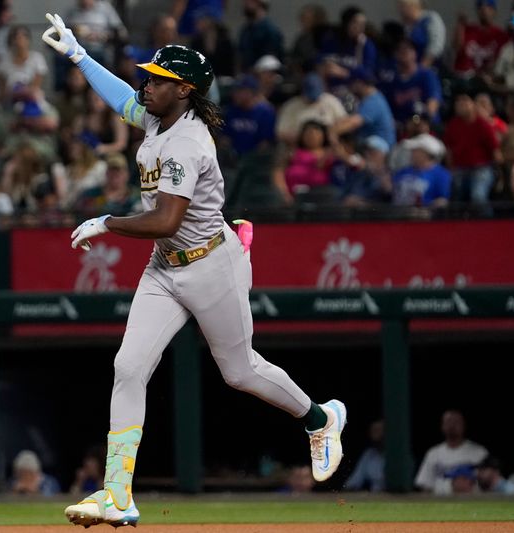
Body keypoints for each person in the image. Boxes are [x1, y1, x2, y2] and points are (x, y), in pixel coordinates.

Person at [42, 13, 347, 528]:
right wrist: (78, 55)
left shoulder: (188, 140)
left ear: (183, 90)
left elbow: (165, 220)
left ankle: (322, 418)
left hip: (209, 264)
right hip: (165, 268)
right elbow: (121, 98)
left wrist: (106, 222)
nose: (147, 84)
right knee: (129, 367)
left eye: (158, 80)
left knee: (239, 371)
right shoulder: (160, 117)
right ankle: (118, 494)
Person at [443, 90, 500, 206]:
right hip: (459, 168)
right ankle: (455, 223)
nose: (460, 105)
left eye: (464, 101)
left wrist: (500, 174)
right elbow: (449, 150)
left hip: (481, 168)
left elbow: (495, 151)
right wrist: (450, 169)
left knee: (478, 196)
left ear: (473, 104)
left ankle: (486, 222)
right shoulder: (453, 125)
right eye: (458, 102)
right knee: (453, 194)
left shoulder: (483, 125)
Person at [414, 410, 488, 495]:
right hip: (442, 502)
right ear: (442, 426)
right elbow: (425, 485)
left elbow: (490, 484)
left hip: (474, 501)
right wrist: (450, 486)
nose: (452, 426)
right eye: (448, 422)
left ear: (463, 425)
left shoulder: (479, 452)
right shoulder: (433, 453)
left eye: (456, 422)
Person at [381, 38, 442, 128]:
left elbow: (433, 103)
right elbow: (388, 111)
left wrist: (425, 120)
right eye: (400, 50)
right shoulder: (392, 81)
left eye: (407, 49)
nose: (403, 52)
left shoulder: (426, 75)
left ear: (415, 53)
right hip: (403, 129)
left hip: (426, 126)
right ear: (395, 54)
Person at [272, 120, 336, 205]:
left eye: (316, 133)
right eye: (308, 133)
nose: (312, 136)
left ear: (323, 136)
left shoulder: (330, 153)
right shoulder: (292, 153)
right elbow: (278, 172)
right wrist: (284, 194)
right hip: (293, 199)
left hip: (321, 198)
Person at [331, 67, 396, 148]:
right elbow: (349, 119)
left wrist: (333, 132)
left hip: (380, 151)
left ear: (359, 83)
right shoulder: (370, 98)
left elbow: (354, 123)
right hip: (372, 147)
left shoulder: (374, 101)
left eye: (351, 84)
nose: (349, 88)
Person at [391, 133, 451, 209]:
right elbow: (391, 190)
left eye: (416, 151)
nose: (412, 153)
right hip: (396, 216)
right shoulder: (404, 171)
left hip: (423, 218)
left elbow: (442, 200)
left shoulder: (441, 174)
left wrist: (428, 209)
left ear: (426, 153)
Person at [452, 0, 509, 78]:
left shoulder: (501, 35)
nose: (484, 11)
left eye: (489, 8)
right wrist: (460, 25)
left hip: (486, 80)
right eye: (480, 8)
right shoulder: (467, 29)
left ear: (494, 11)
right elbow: (457, 48)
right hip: (462, 77)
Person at [222, 75, 276, 157]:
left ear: (251, 93)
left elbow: (265, 143)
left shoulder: (265, 112)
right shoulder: (230, 111)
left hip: (256, 160)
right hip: (233, 158)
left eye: (239, 91)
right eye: (235, 91)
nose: (235, 94)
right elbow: (225, 138)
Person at [0, 25, 49, 107]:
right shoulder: (3, 61)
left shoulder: (37, 58)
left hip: (32, 101)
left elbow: (36, 87)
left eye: (23, 36)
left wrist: (23, 92)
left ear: (28, 39)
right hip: (10, 101)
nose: (19, 40)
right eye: (16, 37)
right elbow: (2, 90)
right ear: (11, 40)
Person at [75, 152, 142, 217]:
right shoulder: (91, 194)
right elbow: (78, 215)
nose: (115, 174)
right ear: (106, 173)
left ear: (127, 174)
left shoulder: (137, 195)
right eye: (112, 170)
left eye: (119, 170)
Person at [397, 0, 447, 67]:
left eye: (403, 8)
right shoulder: (407, 26)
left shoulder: (431, 19)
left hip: (431, 68)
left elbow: (435, 47)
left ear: (412, 7)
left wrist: (421, 69)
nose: (401, 12)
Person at [237, 0, 284, 71]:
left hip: (263, 75)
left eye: (249, 2)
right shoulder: (245, 30)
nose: (245, 4)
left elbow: (271, 60)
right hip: (247, 75)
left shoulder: (271, 31)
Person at [344, 419, 385, 492]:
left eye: (378, 430)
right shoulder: (369, 454)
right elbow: (354, 482)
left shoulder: (399, 455)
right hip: (375, 498)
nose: (375, 434)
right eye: (373, 431)